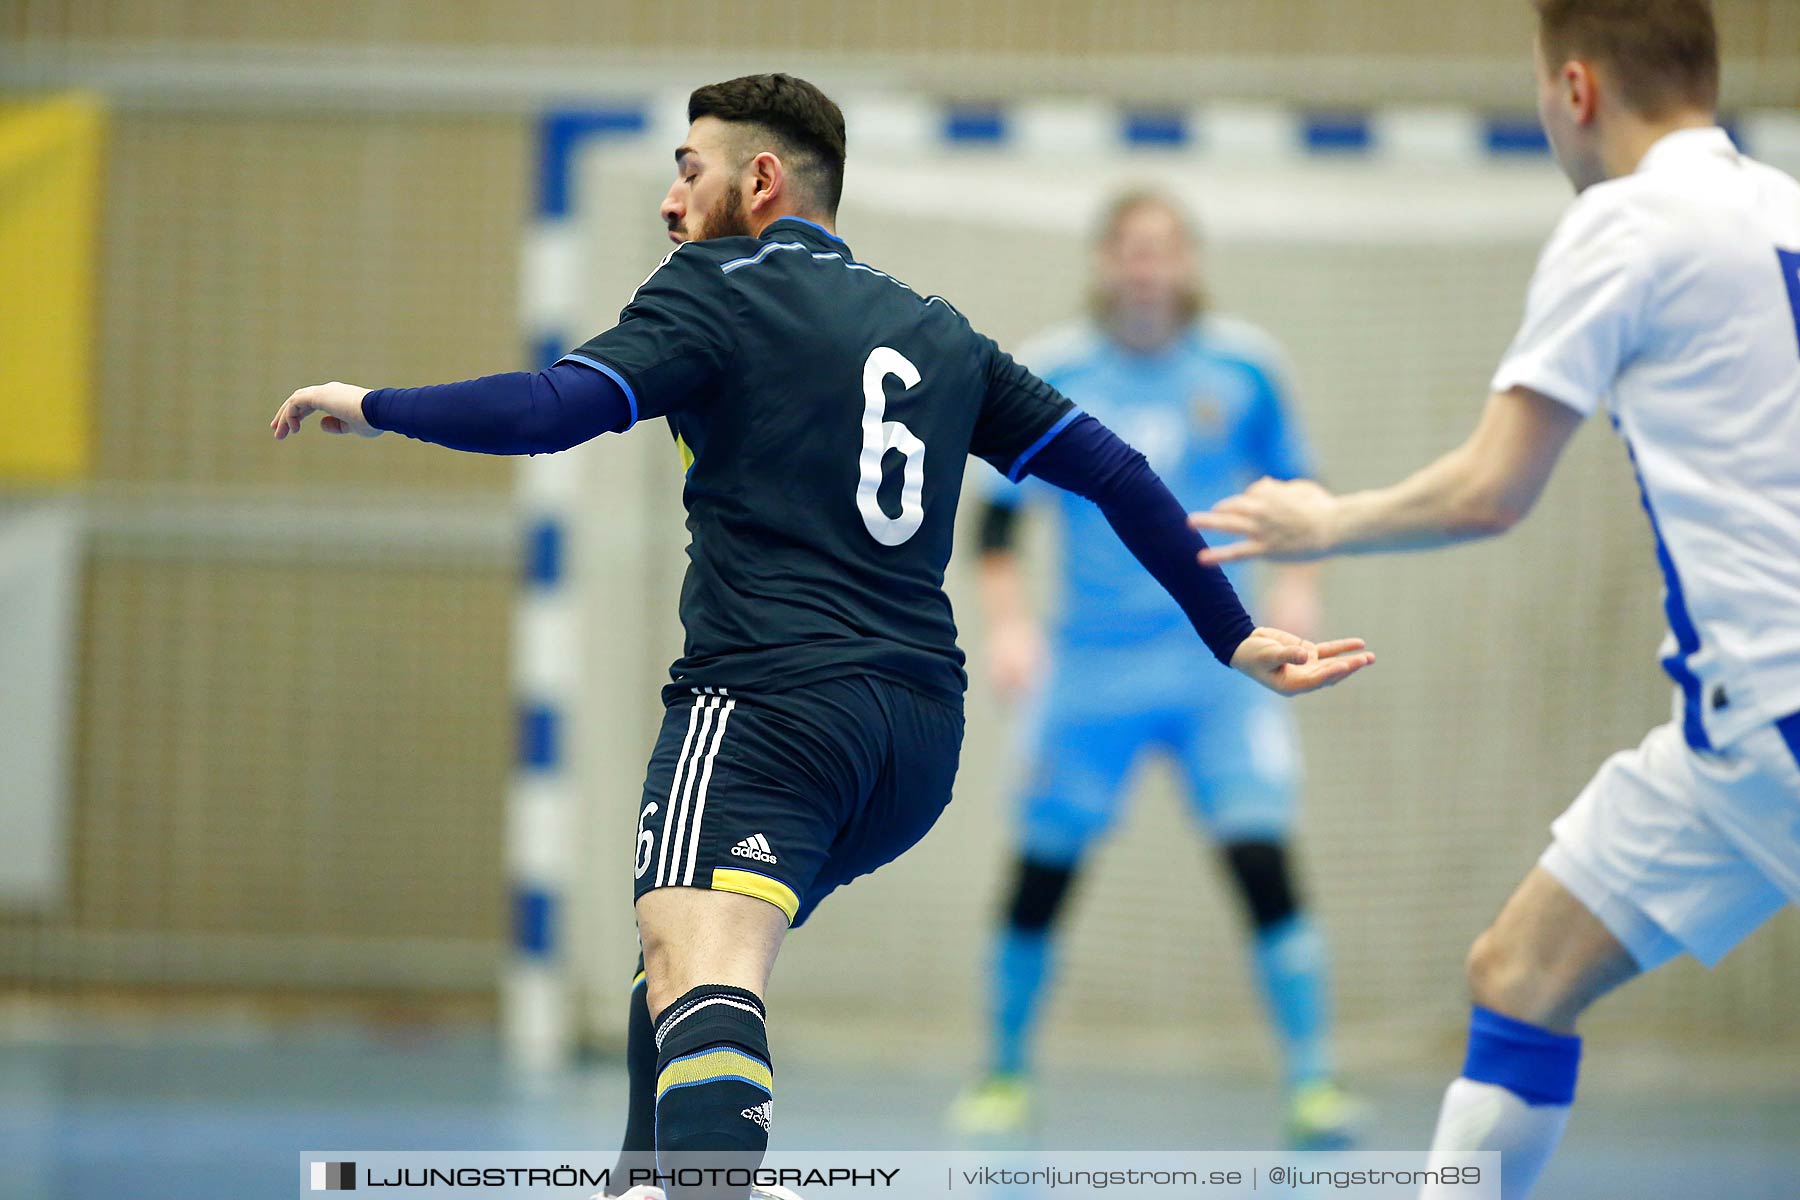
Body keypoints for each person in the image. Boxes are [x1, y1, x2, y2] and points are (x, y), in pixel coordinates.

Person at [271, 74, 1373, 1200]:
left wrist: (376, 403)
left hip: (765, 707)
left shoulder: (716, 287)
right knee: (683, 959)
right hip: (911, 744)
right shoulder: (939, 330)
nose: (668, 200)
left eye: (687, 170)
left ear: (760, 180)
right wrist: (1234, 636)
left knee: (704, 966)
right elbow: (1119, 475)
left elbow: (555, 409)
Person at [1189, 4, 1800, 1197]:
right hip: (1732, 742)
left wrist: (1326, 521)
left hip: (1775, 709)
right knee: (1520, 972)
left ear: (1574, 89)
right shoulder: (1786, 203)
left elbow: (1490, 491)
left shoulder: (1626, 221)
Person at [949, 191, 1361, 1148]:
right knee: (1042, 869)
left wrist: (1301, 592)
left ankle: (1315, 1081)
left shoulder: (1244, 368)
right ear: (1104, 261)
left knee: (1261, 857)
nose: (1145, 268)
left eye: (1162, 250)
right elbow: (996, 526)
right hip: (1090, 670)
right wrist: (1009, 629)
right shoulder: (1053, 371)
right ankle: (1003, 1073)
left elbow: (1303, 495)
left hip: (1220, 665)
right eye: (1129, 250)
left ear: (1186, 261)